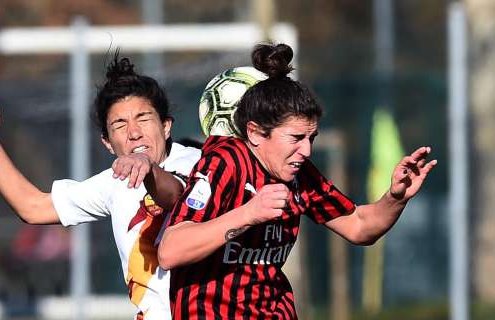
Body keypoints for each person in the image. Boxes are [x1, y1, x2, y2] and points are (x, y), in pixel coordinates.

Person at [158, 43, 437, 319]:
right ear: (254, 133)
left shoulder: (299, 174)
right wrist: (248, 214)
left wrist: (396, 198)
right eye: (296, 138)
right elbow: (171, 251)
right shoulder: (226, 162)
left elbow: (359, 226)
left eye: (311, 138)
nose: (306, 151)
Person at [0, 53, 201, 320]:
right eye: (120, 124)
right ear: (107, 143)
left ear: (166, 127)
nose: (133, 132)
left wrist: (149, 169)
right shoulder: (115, 182)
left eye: (143, 118)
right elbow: (33, 208)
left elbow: (175, 196)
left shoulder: (202, 164)